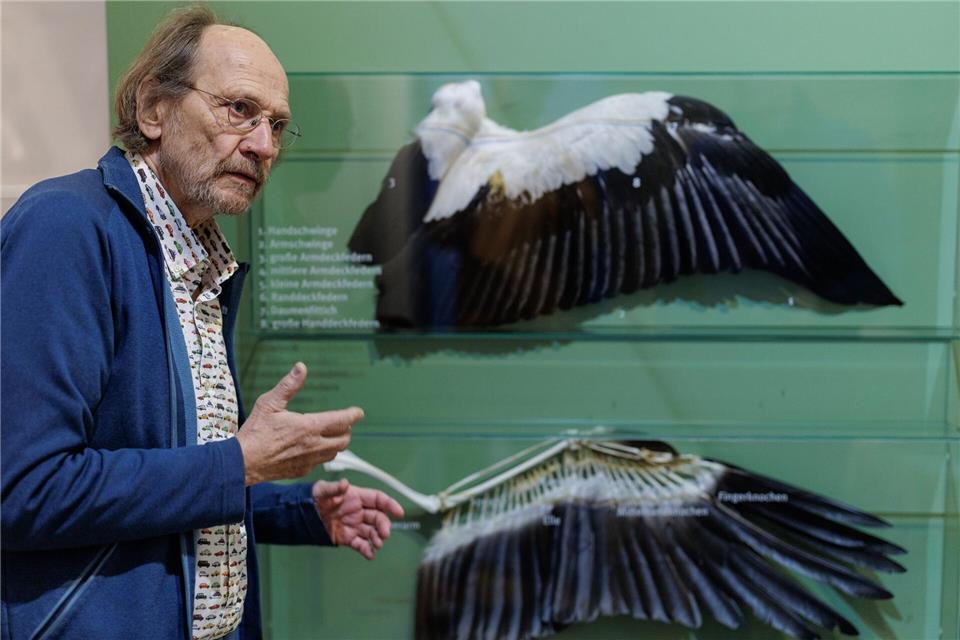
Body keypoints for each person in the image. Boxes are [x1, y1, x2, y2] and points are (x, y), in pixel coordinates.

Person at [0, 6, 403, 639]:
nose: (264, 144)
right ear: (153, 110)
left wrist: (295, 508)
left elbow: (170, 476)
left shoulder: (197, 257)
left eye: (277, 125)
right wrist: (240, 462)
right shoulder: (67, 228)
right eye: (239, 109)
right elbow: (25, 491)